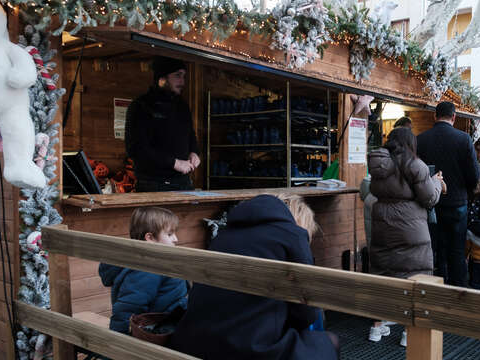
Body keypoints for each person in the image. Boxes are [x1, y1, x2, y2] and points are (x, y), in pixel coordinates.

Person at [170, 195, 339, 360]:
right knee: (331, 341)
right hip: (249, 349)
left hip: (193, 340)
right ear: (301, 222)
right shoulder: (293, 235)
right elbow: (305, 315)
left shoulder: (224, 235)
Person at [367, 127, 443, 346]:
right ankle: (409, 333)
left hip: (382, 224)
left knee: (381, 275)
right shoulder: (415, 165)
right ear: (411, 143)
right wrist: (437, 182)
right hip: (410, 228)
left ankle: (377, 327)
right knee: (415, 277)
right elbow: (429, 198)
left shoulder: (379, 165)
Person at [417, 101, 480, 287]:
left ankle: (435, 288)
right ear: (454, 117)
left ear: (434, 116)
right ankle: (458, 291)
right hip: (457, 203)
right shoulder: (463, 139)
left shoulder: (421, 139)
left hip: (430, 204)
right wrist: (465, 191)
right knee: (456, 251)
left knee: (434, 249)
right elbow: (474, 175)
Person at [98, 207, 188, 334]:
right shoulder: (147, 269)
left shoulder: (160, 262)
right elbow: (128, 307)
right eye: (169, 234)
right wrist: (121, 342)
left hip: (170, 323)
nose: (176, 239)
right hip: (156, 331)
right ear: (150, 238)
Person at [125, 56, 200, 192]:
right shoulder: (141, 106)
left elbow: (190, 135)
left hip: (183, 182)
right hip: (153, 184)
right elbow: (136, 149)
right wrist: (174, 163)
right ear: (162, 78)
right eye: (177, 76)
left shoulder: (182, 106)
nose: (182, 82)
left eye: (184, 76)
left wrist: (194, 152)